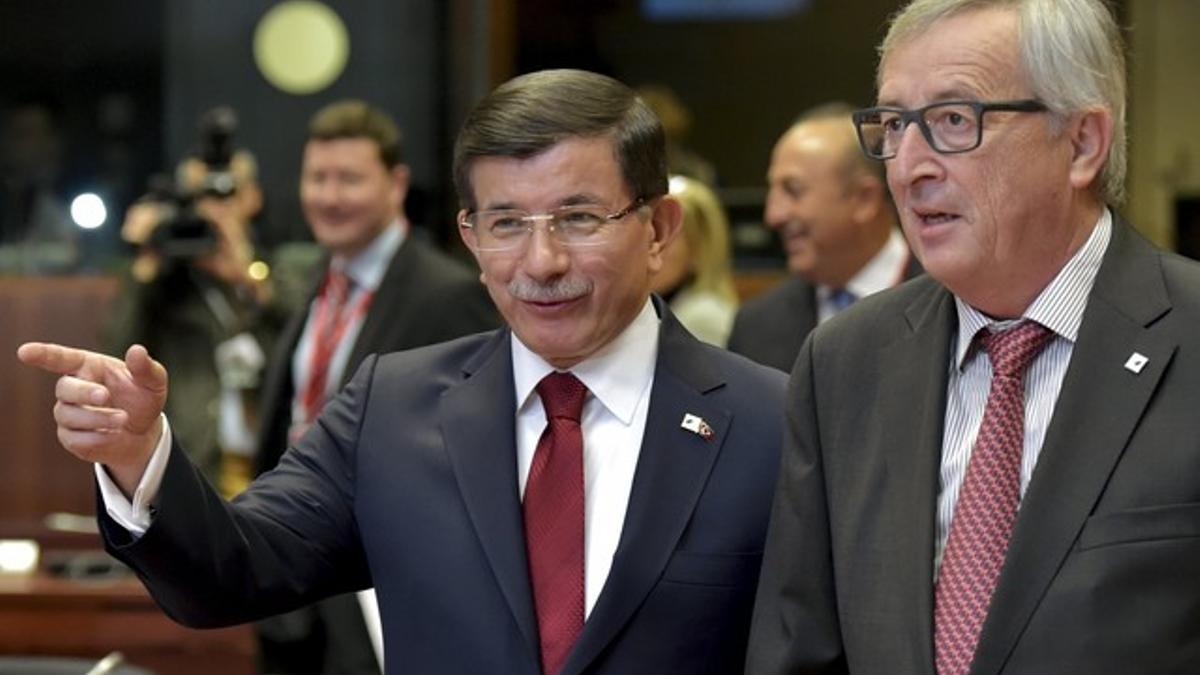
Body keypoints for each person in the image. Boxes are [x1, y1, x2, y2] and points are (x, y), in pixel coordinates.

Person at [20, 69, 787, 675]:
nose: (541, 262)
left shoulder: (770, 421)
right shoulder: (394, 406)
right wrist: (136, 453)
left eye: (579, 218)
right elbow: (233, 570)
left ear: (657, 229)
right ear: (470, 235)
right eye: (507, 224)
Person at [747, 1, 1200, 674]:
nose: (909, 167)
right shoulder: (846, 361)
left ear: (1081, 143)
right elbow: (799, 649)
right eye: (896, 125)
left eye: (953, 120)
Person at [252, 99, 501, 675]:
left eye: (349, 179)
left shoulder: (447, 292)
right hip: (293, 590)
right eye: (317, 178)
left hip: (383, 590)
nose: (329, 196)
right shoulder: (319, 283)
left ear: (396, 184)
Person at [106, 148, 277, 497]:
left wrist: (245, 275)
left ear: (252, 198)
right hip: (194, 470)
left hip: (274, 468)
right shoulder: (165, 288)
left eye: (224, 194)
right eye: (199, 196)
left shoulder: (279, 273)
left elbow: (302, 351)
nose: (212, 209)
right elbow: (114, 359)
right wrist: (146, 262)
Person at [728, 102, 920, 372]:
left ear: (864, 199)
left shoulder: (953, 301)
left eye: (793, 191)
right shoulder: (757, 326)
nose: (773, 216)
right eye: (773, 191)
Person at [650, 175, 738, 346]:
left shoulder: (702, 318)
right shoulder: (674, 309)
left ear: (699, 249)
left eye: (664, 235)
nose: (652, 246)